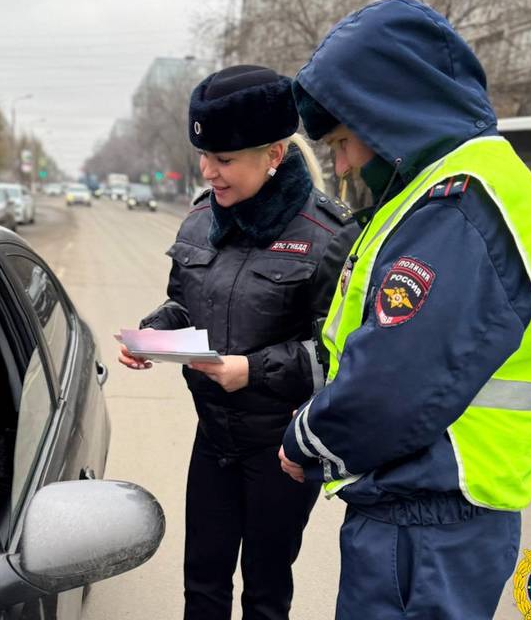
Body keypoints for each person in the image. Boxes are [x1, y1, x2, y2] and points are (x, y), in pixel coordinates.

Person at [277, 0, 531, 619]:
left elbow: (393, 378)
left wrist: (307, 439)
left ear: (385, 115)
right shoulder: (459, 191)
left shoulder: (461, 202)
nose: (342, 163)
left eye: (343, 140)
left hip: (431, 520)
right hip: (433, 515)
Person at [120, 65, 358, 620]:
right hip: (214, 441)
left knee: (264, 593)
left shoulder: (328, 235)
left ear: (273, 154)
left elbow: (338, 358)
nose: (209, 172)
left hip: (280, 452)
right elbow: (186, 303)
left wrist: (250, 370)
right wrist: (155, 331)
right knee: (201, 584)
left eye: (224, 160)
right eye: (204, 157)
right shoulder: (202, 218)